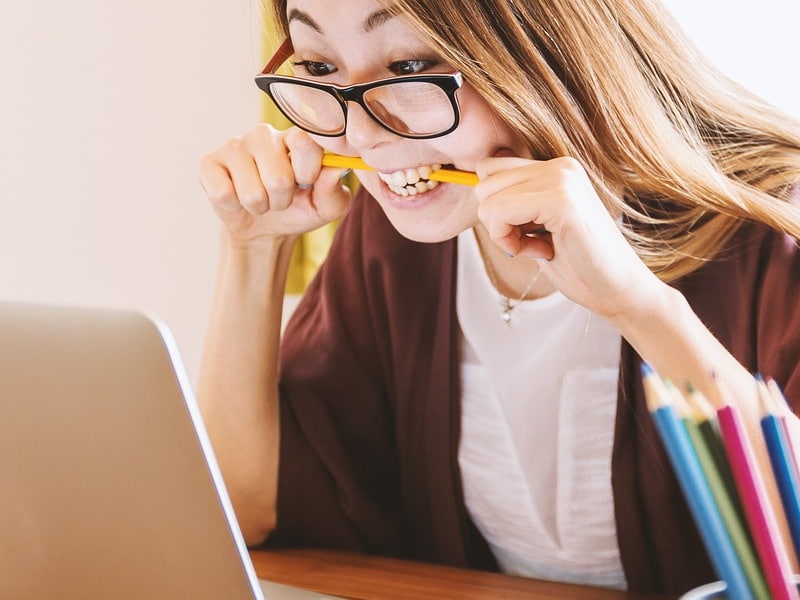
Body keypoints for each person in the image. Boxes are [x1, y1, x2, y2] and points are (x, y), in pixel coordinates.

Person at [197, 0, 800, 595]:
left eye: (408, 67)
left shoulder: (775, 227)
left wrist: (635, 305)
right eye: (320, 67)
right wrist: (251, 248)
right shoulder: (397, 234)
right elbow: (243, 510)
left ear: (545, 46)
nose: (362, 136)